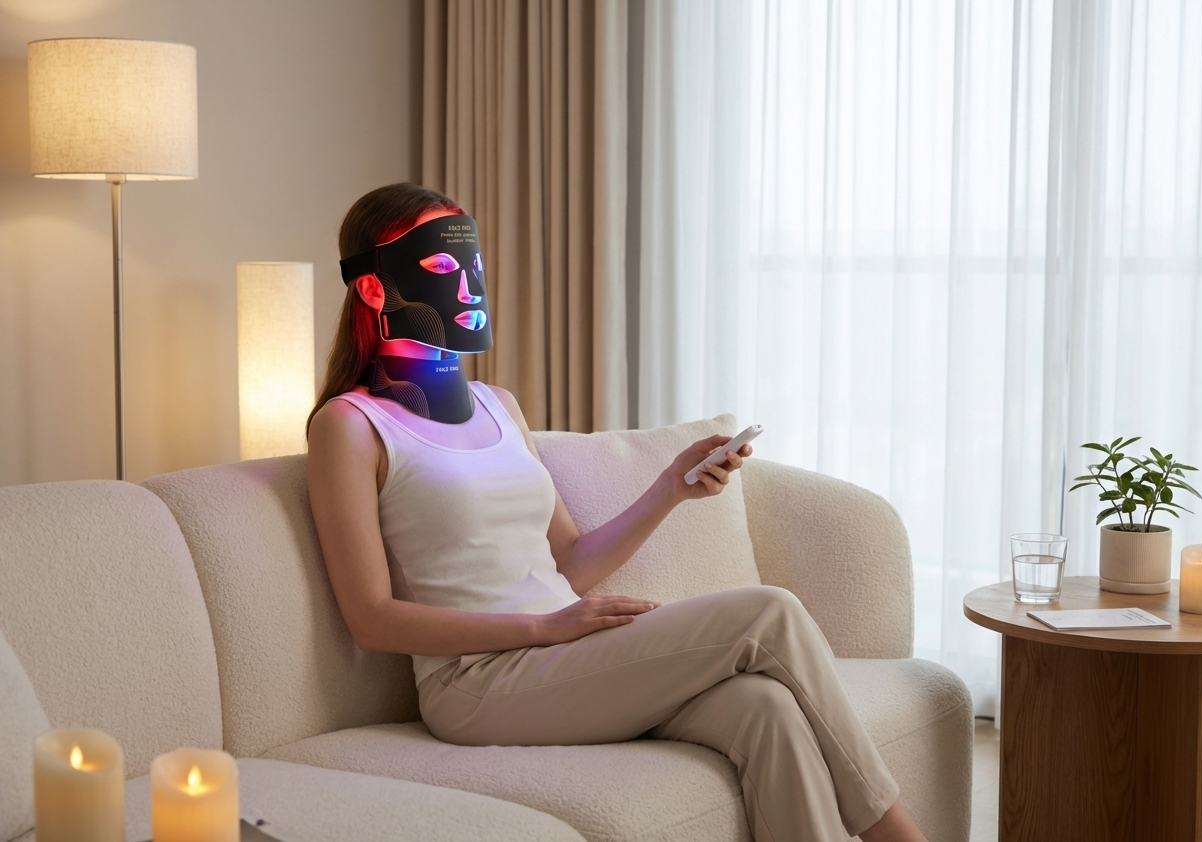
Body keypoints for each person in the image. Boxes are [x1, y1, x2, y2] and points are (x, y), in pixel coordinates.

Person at [306, 183, 930, 842]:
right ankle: (896, 832)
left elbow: (571, 561)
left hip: (560, 652)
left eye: (474, 268)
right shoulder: (349, 426)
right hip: (476, 684)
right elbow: (370, 621)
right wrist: (545, 630)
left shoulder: (498, 405)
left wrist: (670, 488)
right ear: (374, 290)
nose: (468, 287)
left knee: (764, 707)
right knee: (768, 611)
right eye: (440, 268)